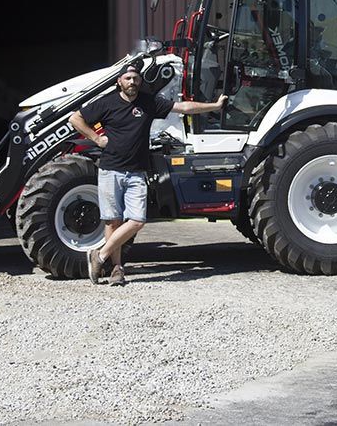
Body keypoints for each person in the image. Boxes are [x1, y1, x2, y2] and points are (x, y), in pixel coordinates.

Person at [69, 63, 225, 286]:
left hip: (136, 173)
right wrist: (96, 138)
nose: (132, 82)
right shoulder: (107, 103)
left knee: (137, 220)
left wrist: (214, 105)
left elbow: (184, 108)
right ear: (119, 82)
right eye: (128, 78)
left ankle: (100, 255)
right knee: (112, 221)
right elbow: (75, 118)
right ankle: (116, 270)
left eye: (135, 78)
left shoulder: (149, 102)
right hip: (110, 170)